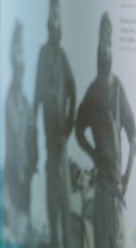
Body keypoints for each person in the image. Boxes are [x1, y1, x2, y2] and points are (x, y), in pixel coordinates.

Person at [75, 12, 135, 248]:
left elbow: (133, 135)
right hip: (101, 189)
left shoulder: (118, 88)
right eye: (102, 40)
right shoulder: (92, 92)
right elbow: (78, 130)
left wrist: (127, 178)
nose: (105, 48)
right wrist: (94, 155)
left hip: (117, 192)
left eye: (109, 42)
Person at [32, 0, 76, 248]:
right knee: (52, 202)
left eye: (58, 18)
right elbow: (37, 94)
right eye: (52, 18)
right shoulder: (43, 54)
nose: (55, 23)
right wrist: (33, 131)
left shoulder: (62, 56)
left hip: (61, 141)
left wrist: (68, 126)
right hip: (49, 142)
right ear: (48, 23)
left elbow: (73, 89)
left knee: (65, 201)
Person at [1, 21, 37, 245]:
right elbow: (14, 142)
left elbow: (32, 137)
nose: (19, 57)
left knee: (25, 233)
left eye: (22, 51)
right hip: (15, 179)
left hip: (26, 180)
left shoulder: (24, 100)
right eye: (16, 51)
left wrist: (33, 163)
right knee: (16, 234)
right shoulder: (11, 99)